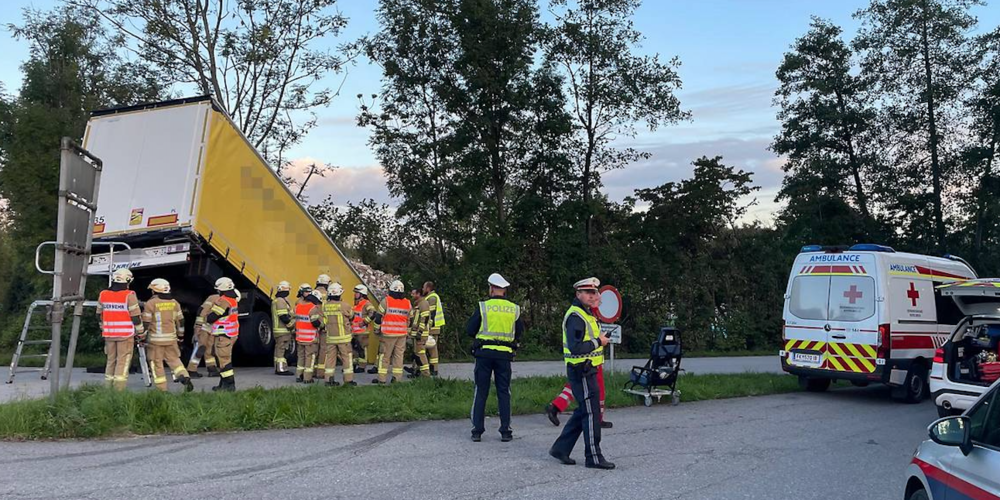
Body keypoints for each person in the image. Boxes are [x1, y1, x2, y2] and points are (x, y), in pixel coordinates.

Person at [549, 277, 615, 469]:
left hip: (587, 369)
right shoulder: (576, 316)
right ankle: (593, 457)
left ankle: (561, 448)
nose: (592, 295)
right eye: (588, 292)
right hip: (582, 370)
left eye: (594, 292)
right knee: (591, 414)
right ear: (578, 294)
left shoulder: (585, 313)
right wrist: (599, 342)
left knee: (584, 411)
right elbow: (576, 346)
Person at [466, 273, 524, 442]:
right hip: (504, 355)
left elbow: (470, 329)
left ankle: (477, 430)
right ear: (504, 290)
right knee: (504, 392)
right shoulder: (514, 309)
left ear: (491, 288)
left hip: (484, 354)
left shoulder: (483, 306)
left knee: (481, 391)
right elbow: (519, 332)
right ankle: (506, 431)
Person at [545, 293, 612, 428]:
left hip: (587, 358)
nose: (598, 302)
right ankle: (597, 418)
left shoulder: (585, 312)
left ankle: (556, 406)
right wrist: (600, 341)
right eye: (597, 299)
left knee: (574, 386)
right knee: (597, 390)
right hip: (589, 358)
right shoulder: (586, 313)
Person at [141, 278, 194, 392]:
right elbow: (181, 321)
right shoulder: (175, 303)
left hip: (155, 341)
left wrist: (141, 335)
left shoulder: (151, 303)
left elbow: (146, 322)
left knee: (156, 363)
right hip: (171, 339)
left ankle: (162, 390)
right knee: (174, 360)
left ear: (154, 291)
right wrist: (180, 337)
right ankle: (184, 375)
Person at [96, 268, 144, 390]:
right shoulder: (129, 295)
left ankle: (108, 388)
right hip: (125, 335)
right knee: (123, 361)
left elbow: (98, 314)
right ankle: (118, 390)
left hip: (109, 334)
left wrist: (103, 327)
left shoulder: (103, 294)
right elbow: (136, 318)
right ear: (128, 280)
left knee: (111, 360)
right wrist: (140, 332)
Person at [203, 277, 240, 391]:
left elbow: (213, 317)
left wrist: (207, 316)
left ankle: (229, 385)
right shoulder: (232, 299)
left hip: (224, 335)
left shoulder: (224, 300)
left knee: (224, 360)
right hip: (230, 333)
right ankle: (223, 384)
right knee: (224, 359)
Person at [373, 280, 411, 384]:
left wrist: (376, 329)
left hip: (388, 334)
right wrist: (407, 331)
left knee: (384, 356)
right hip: (402, 335)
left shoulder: (386, 301)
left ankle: (381, 379)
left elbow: (378, 317)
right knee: (398, 357)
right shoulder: (407, 303)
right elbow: (409, 319)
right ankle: (397, 379)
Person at [323, 282, 356, 386]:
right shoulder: (345, 305)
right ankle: (348, 380)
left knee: (330, 359)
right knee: (346, 359)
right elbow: (351, 316)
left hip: (330, 338)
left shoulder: (325, 306)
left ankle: (328, 380)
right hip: (343, 338)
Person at [295, 286, 324, 383]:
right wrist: (322, 324)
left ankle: (299, 376)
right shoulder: (313, 308)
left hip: (300, 337)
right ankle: (307, 378)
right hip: (310, 338)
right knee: (310, 357)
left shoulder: (298, 306)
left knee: (301, 357)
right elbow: (315, 323)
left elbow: (291, 316)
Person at [405, 288, 432, 378]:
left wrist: (420, 332)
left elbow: (425, 318)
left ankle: (425, 374)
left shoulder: (423, 303)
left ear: (418, 294)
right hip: (416, 333)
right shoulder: (418, 304)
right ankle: (417, 371)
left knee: (420, 353)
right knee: (417, 354)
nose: (412, 295)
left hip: (421, 334)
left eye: (413, 294)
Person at [351, 284, 377, 374]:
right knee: (354, 349)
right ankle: (353, 365)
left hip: (363, 331)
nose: (355, 294)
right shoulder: (356, 304)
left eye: (357, 293)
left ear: (362, 294)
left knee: (362, 349)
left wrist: (365, 322)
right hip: (354, 331)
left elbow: (373, 313)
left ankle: (362, 367)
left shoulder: (366, 303)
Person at [271, 281, 295, 375]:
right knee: (282, 350)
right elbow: (283, 317)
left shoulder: (277, 300)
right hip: (283, 331)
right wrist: (291, 325)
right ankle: (281, 369)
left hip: (279, 331)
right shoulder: (281, 301)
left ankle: (278, 368)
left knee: (279, 350)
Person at [423, 281, 445, 376]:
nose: (423, 289)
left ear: (428, 288)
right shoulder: (432, 297)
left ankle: (428, 368)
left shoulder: (432, 298)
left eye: (424, 287)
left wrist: (427, 326)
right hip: (435, 326)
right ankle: (433, 368)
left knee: (426, 347)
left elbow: (430, 314)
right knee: (432, 348)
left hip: (432, 326)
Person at [314, 274, 332, 379]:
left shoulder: (312, 293)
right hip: (325, 326)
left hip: (313, 325)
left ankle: (311, 371)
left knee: (313, 349)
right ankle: (320, 372)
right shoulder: (328, 295)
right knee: (323, 349)